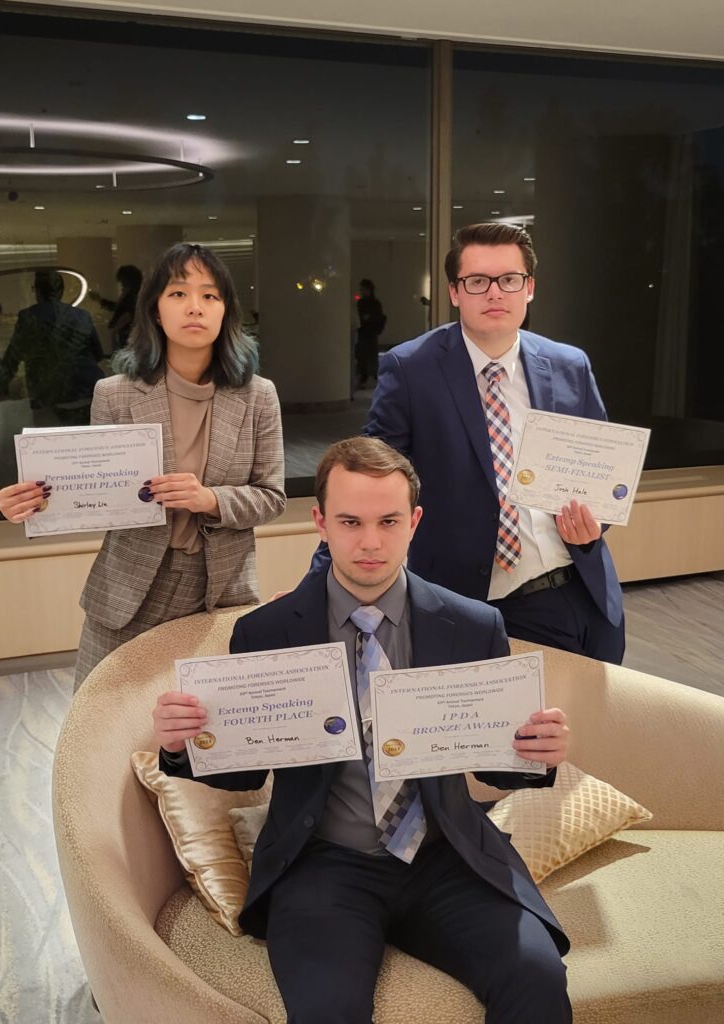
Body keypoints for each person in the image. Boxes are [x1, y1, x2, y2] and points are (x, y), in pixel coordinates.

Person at [154, 436, 572, 1024]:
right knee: (327, 1011)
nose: (370, 542)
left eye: (388, 521)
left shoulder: (475, 626)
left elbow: (495, 762)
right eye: (350, 521)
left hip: (445, 855)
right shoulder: (266, 631)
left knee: (537, 977)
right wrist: (179, 747)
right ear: (319, 521)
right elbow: (244, 768)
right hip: (325, 862)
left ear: (414, 522)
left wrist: (537, 753)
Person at [318, 223, 624, 664]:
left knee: (586, 725)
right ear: (455, 292)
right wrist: (320, 586)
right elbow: (366, 480)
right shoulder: (411, 369)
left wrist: (596, 523)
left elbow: (603, 475)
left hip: (580, 589)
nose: (495, 293)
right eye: (478, 281)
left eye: (509, 280)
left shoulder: (568, 365)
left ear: (530, 288)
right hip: (469, 600)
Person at [0, 243, 286, 687]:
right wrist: (37, 501)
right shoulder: (115, 393)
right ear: (154, 310)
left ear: (226, 311)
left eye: (210, 296)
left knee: (205, 738)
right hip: (129, 589)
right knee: (102, 732)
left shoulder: (258, 395)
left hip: (220, 591)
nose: (195, 307)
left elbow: (272, 497)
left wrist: (209, 499)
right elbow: (98, 494)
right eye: (178, 294)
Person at [0, 269, 105, 426]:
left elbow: (12, 357)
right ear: (61, 291)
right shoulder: (82, 315)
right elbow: (98, 354)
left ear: (38, 292)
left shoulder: (28, 316)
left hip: (48, 396)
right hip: (85, 392)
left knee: (48, 444)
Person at [89, 263, 143, 349]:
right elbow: (120, 308)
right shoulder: (132, 293)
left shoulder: (132, 295)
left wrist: (116, 329)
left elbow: (128, 312)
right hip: (125, 333)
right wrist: (100, 300)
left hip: (126, 333)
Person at [355, 278, 386, 389]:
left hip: (370, 332)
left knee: (370, 355)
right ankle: (367, 376)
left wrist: (369, 318)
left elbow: (376, 317)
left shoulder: (372, 303)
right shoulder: (364, 303)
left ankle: (371, 376)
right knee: (364, 355)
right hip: (366, 332)